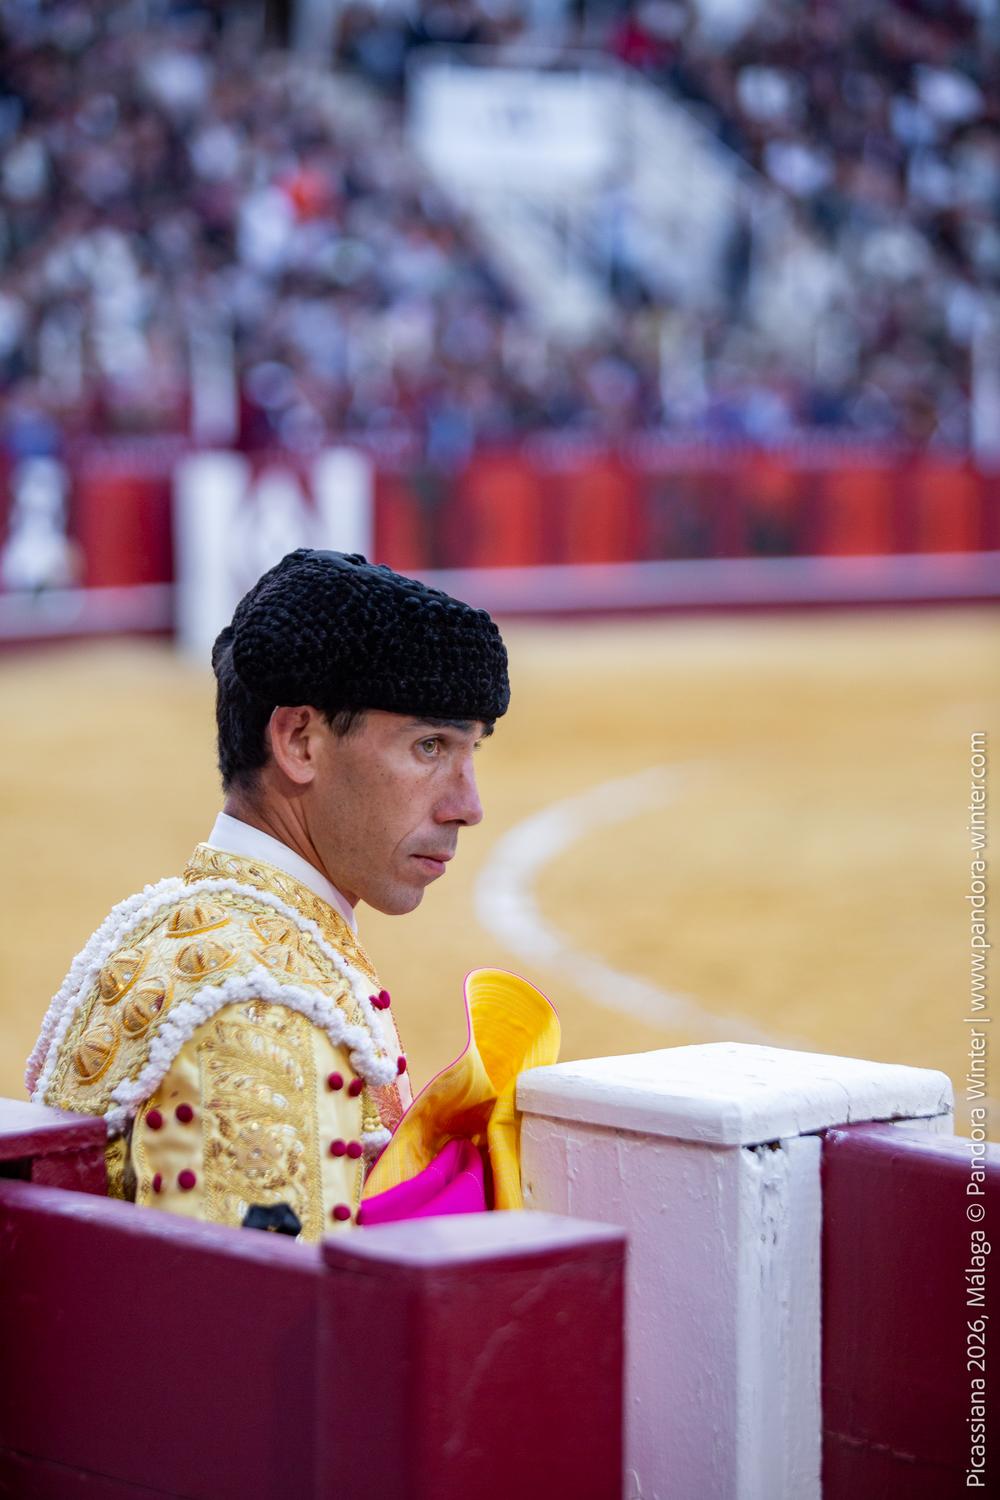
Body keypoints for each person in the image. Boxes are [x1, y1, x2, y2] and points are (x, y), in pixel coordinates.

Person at [25, 549, 558, 1239]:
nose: (467, 805)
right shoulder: (260, 1015)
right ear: (300, 740)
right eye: (429, 746)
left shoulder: (168, 929)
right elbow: (262, 1335)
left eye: (471, 751)